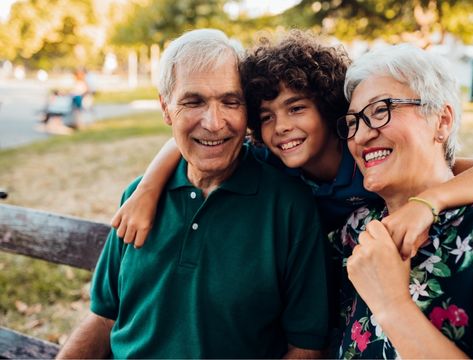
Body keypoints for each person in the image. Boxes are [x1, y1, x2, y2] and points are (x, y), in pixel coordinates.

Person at [111, 30, 473, 259]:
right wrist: (148, 189)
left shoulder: (369, 159)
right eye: (266, 116)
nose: (282, 128)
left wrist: (430, 201)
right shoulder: (271, 161)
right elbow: (195, 140)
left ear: (329, 109)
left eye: (297, 109)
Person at [56, 29, 329, 359]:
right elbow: (103, 316)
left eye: (231, 102)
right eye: (193, 101)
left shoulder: (289, 207)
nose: (214, 123)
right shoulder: (140, 196)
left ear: (248, 112)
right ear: (166, 108)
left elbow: (307, 347)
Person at [337, 44, 473, 358]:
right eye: (353, 122)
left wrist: (393, 305)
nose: (362, 136)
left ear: (442, 121)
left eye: (380, 110)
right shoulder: (355, 228)